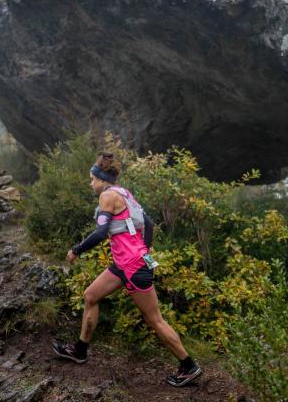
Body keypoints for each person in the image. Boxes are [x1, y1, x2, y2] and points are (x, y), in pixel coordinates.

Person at [52, 152, 203, 387]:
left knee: (154, 319)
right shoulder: (125, 193)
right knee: (91, 295)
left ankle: (188, 365)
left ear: (101, 180)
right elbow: (149, 223)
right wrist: (146, 248)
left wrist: (76, 250)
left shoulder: (107, 196)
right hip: (125, 264)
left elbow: (101, 233)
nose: (90, 183)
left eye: (92, 179)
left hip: (133, 266)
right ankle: (80, 350)